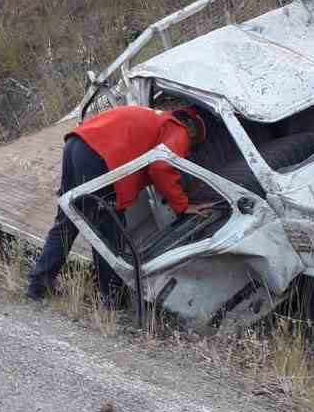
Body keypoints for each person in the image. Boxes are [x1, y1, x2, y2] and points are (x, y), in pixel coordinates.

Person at [27, 103, 208, 302]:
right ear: (192, 130)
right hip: (98, 157)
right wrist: (182, 205)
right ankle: (113, 299)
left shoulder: (155, 119)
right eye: (194, 145)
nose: (189, 150)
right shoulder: (179, 130)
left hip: (77, 144)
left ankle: (38, 284)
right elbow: (161, 167)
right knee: (108, 230)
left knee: (68, 220)